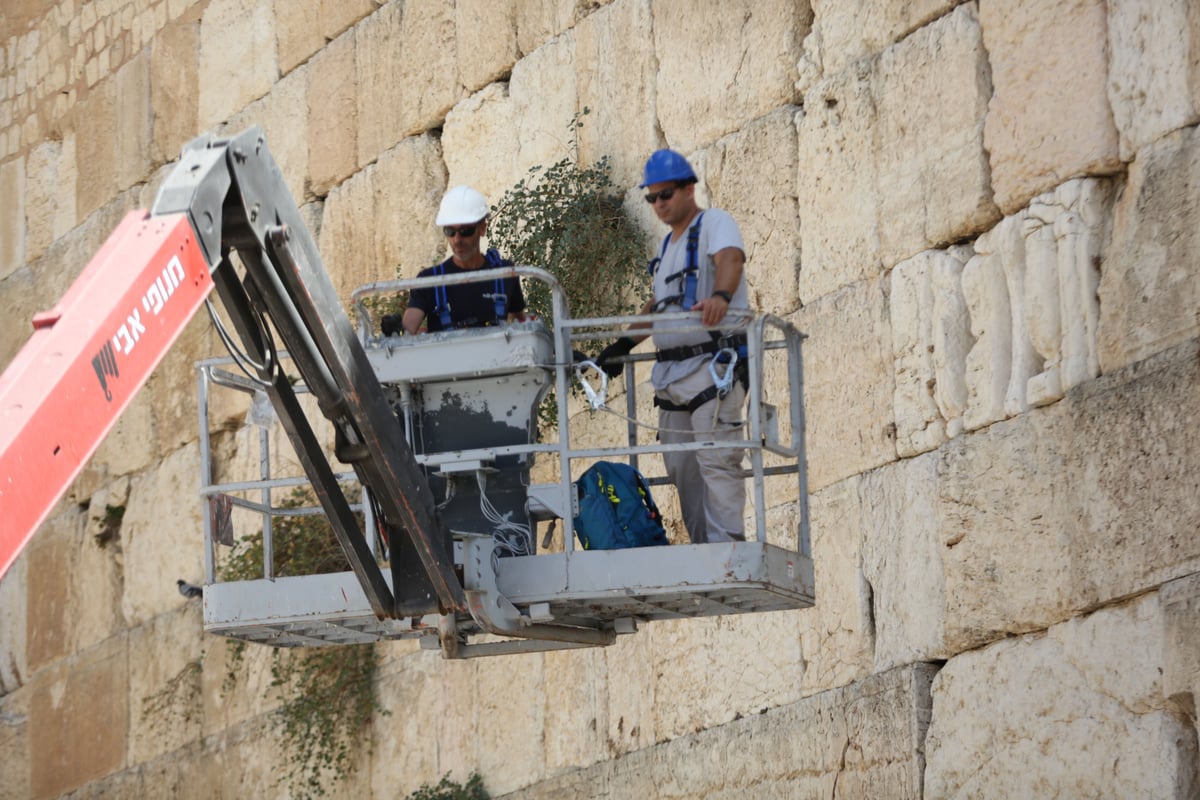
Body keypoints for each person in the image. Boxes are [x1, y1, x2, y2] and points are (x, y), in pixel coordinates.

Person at [596, 149, 749, 544]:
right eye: (652, 198)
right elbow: (658, 309)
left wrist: (720, 295)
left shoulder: (714, 223)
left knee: (718, 461)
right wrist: (622, 347)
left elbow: (731, 259)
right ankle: (704, 548)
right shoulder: (666, 248)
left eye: (665, 195)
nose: (659, 204)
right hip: (672, 375)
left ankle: (727, 547)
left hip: (711, 368)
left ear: (688, 188)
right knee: (682, 467)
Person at [382, 185, 526, 335]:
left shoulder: (505, 274)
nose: (457, 239)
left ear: (482, 229)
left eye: (465, 231)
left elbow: (520, 324)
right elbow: (407, 331)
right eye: (450, 231)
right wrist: (395, 331)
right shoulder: (429, 281)